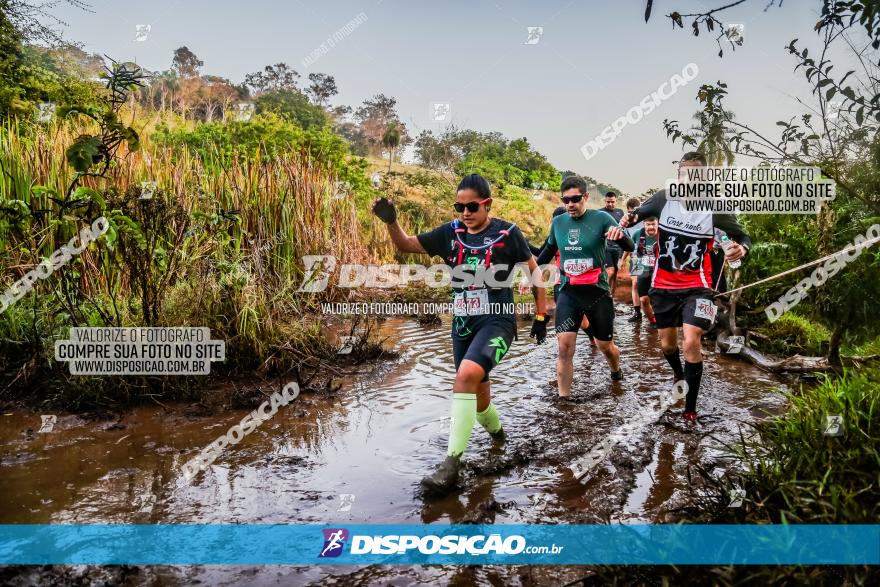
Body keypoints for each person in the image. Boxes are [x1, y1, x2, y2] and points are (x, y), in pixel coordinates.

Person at [372, 174, 548, 494]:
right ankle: (499, 438)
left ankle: (450, 465)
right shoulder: (450, 233)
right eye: (459, 207)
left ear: (487, 204)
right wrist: (391, 222)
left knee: (464, 377)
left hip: (497, 321)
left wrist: (540, 315)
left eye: (471, 206)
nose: (465, 213)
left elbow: (535, 272)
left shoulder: (507, 233)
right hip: (463, 326)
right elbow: (405, 244)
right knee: (479, 400)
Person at [620, 152, 751, 422]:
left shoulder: (716, 206)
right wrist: (626, 220)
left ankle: (690, 409)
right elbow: (638, 214)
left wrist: (742, 249)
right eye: (684, 173)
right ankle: (679, 374)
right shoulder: (664, 198)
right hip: (663, 285)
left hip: (698, 287)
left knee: (691, 341)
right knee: (667, 345)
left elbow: (743, 236)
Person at [537, 176, 634, 398]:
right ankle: (564, 399)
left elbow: (629, 245)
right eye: (566, 200)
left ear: (586, 197)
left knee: (605, 346)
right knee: (564, 347)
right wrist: (530, 276)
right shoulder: (558, 223)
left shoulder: (601, 218)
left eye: (575, 199)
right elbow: (546, 253)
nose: (570, 204)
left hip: (597, 292)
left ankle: (615, 370)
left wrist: (621, 237)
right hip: (569, 292)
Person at [626, 216, 659, 329]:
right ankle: (638, 313)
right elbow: (630, 248)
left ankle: (662, 319)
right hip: (638, 262)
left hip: (657, 269)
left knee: (658, 295)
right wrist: (622, 259)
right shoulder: (637, 234)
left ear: (657, 224)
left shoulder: (662, 235)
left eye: (653, 224)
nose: (651, 227)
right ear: (643, 224)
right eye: (648, 224)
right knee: (636, 287)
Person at [620, 197, 644, 322]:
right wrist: (622, 259)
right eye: (630, 212)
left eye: (635, 211)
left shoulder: (647, 219)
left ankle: (654, 311)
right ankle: (637, 312)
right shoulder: (627, 224)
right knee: (635, 283)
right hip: (635, 257)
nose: (632, 214)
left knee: (651, 284)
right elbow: (628, 245)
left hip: (650, 256)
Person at [601, 191, 626, 298]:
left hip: (618, 247)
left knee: (615, 272)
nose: (610, 204)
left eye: (612, 202)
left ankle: (611, 297)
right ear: (604, 201)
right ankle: (604, 295)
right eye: (608, 202)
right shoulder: (600, 213)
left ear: (616, 201)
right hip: (605, 247)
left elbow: (624, 229)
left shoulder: (620, 212)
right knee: (609, 271)